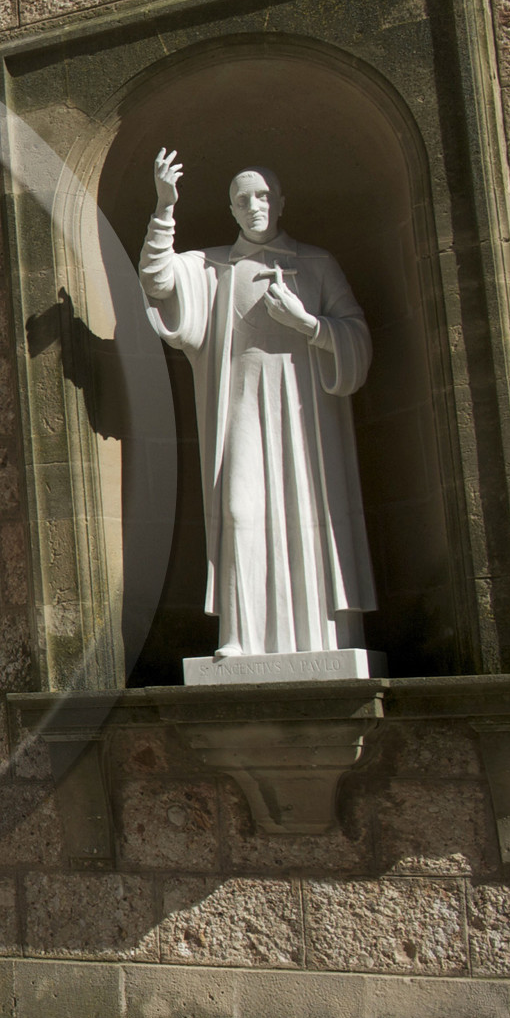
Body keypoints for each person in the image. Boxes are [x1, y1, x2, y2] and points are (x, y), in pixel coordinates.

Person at [140, 150, 377, 659]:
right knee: (238, 509)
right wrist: (165, 207)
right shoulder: (213, 267)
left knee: (309, 511)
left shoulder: (316, 263)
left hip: (306, 410)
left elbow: (357, 337)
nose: (255, 205)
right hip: (241, 406)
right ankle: (239, 634)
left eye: (264, 195)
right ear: (231, 208)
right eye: (243, 198)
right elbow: (157, 280)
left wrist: (307, 324)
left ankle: (325, 638)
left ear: (282, 201)